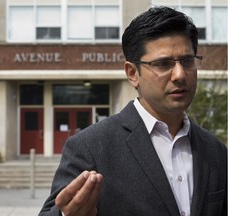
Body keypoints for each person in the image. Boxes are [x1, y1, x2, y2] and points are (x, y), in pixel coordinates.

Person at [39, 6, 227, 216]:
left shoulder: (215, 151)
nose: (179, 75)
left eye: (187, 61)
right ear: (132, 73)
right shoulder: (90, 147)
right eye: (163, 64)